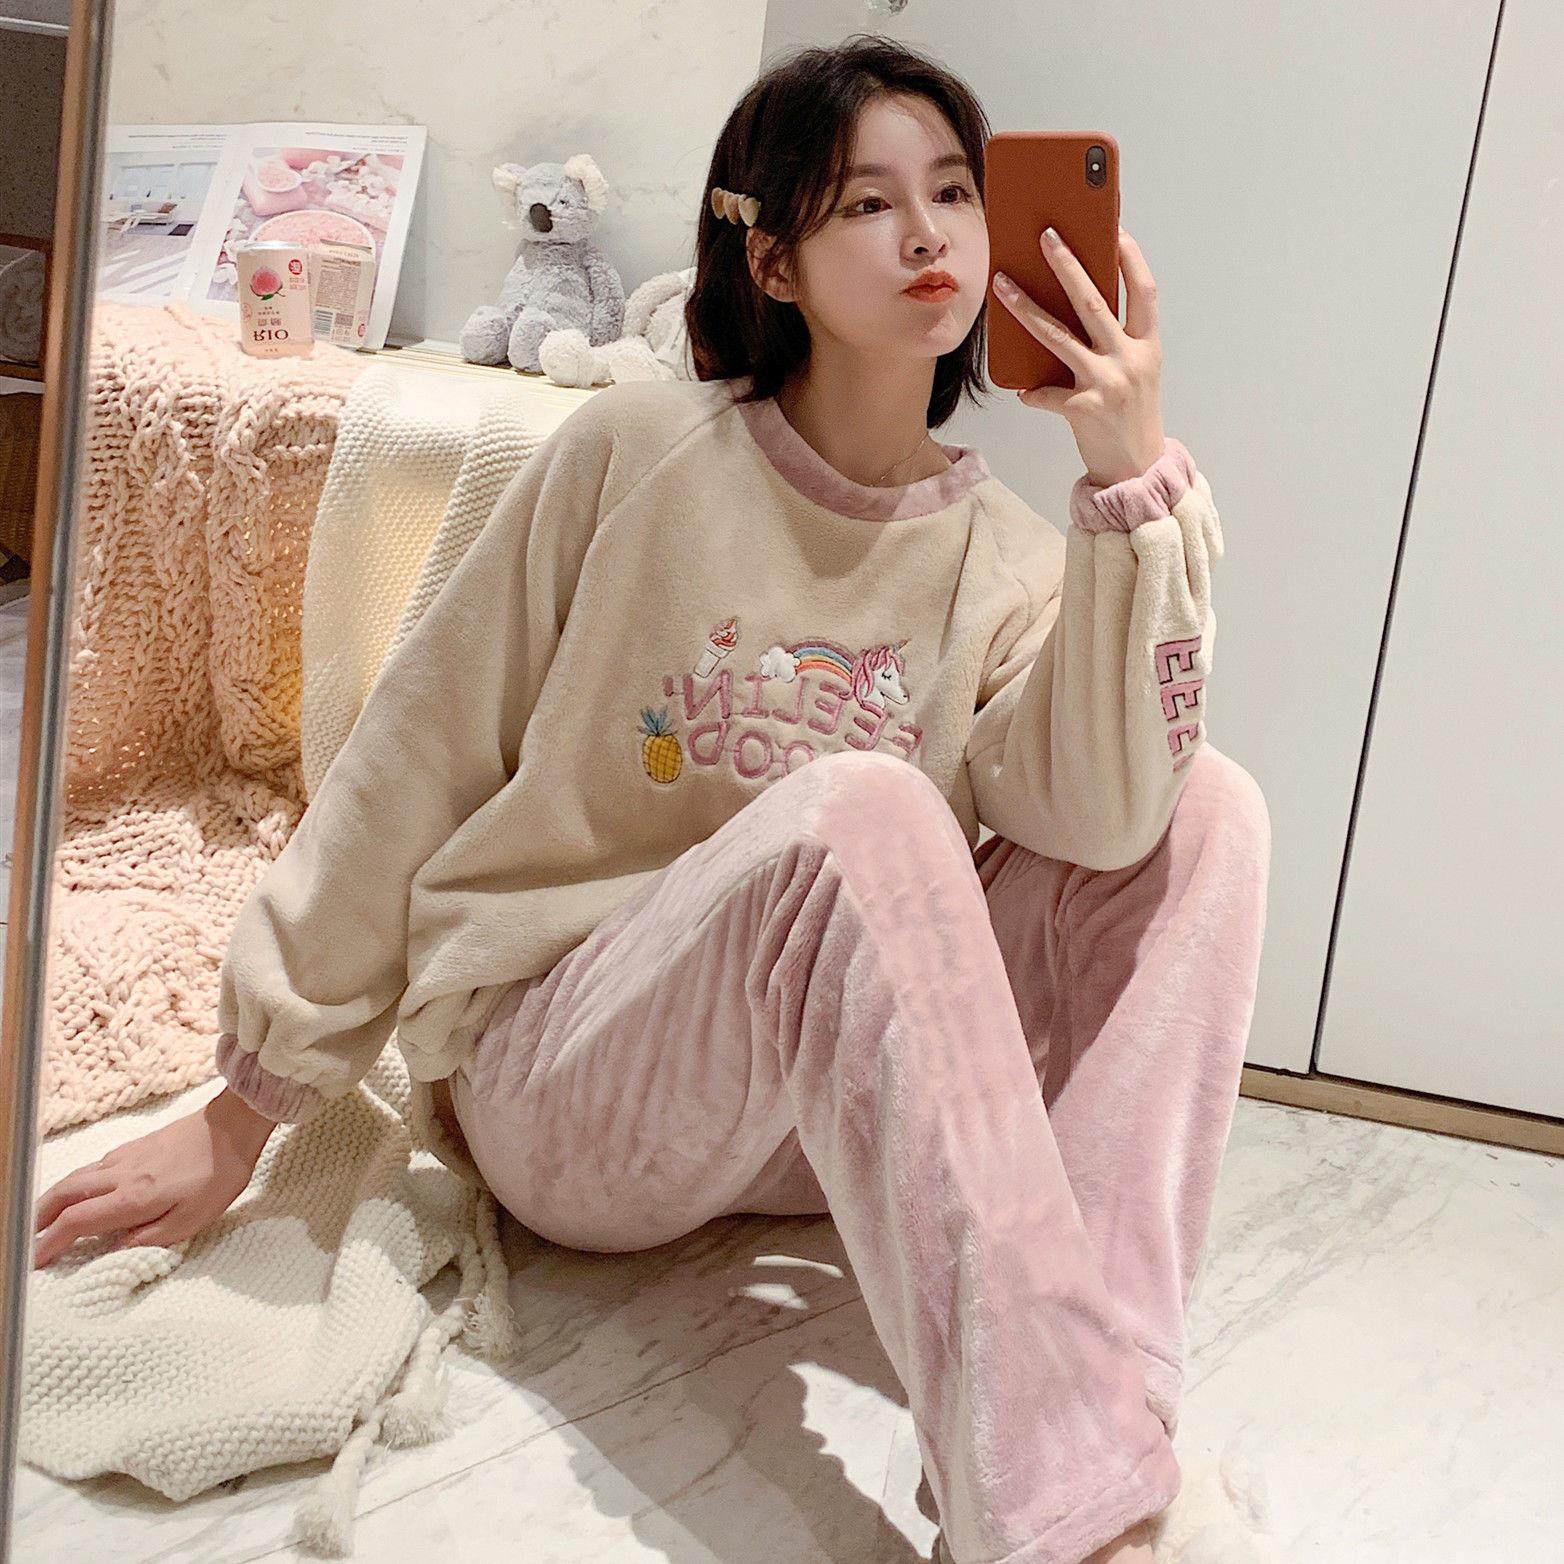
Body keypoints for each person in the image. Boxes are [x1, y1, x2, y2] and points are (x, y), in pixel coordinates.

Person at [33, 34, 1270, 1564]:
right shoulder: (635, 452)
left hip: (810, 1138)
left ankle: (1090, 1456)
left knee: (1211, 813)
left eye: (956, 191)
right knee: (867, 810)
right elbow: (418, 750)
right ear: (775, 260)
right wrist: (246, 1109)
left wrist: (1130, 489)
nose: (929, 233)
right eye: (867, 201)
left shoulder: (1009, 556)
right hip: (569, 1082)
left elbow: (1112, 818)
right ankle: (1079, 1529)